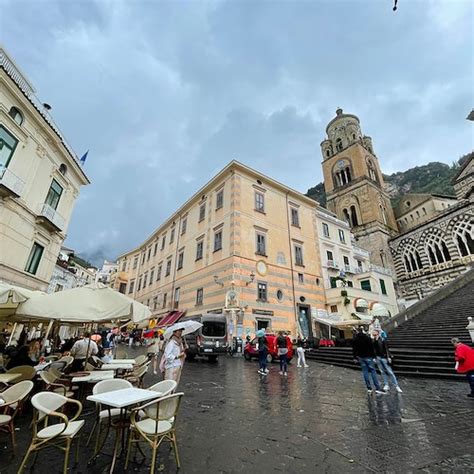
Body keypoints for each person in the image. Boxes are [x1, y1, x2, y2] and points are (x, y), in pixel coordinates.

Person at [352, 327, 383, 394]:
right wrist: (374, 357)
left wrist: (354, 357)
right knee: (373, 371)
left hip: (361, 357)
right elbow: (372, 348)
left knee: (365, 372)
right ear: (363, 331)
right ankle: (377, 388)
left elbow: (354, 350)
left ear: (357, 332)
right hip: (369, 357)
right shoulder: (367, 338)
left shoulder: (355, 339)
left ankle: (369, 388)